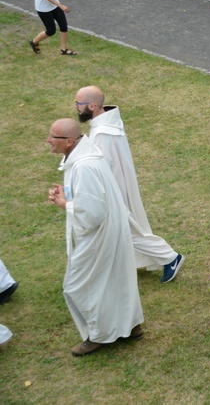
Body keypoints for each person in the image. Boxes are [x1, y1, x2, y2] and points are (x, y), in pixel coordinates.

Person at [47, 119, 143, 356]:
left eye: (53, 137)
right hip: (109, 231)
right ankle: (130, 327)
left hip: (99, 236)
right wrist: (68, 194)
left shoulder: (84, 166)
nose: (48, 141)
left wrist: (65, 204)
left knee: (79, 286)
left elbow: (92, 214)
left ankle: (99, 335)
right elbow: (91, 197)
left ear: (69, 142)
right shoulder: (84, 159)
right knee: (114, 279)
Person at [75, 86, 184, 283]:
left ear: (92, 105)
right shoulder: (108, 123)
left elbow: (103, 167)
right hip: (119, 184)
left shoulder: (101, 133)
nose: (76, 108)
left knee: (124, 231)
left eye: (79, 104)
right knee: (121, 231)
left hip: (112, 189)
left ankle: (170, 257)